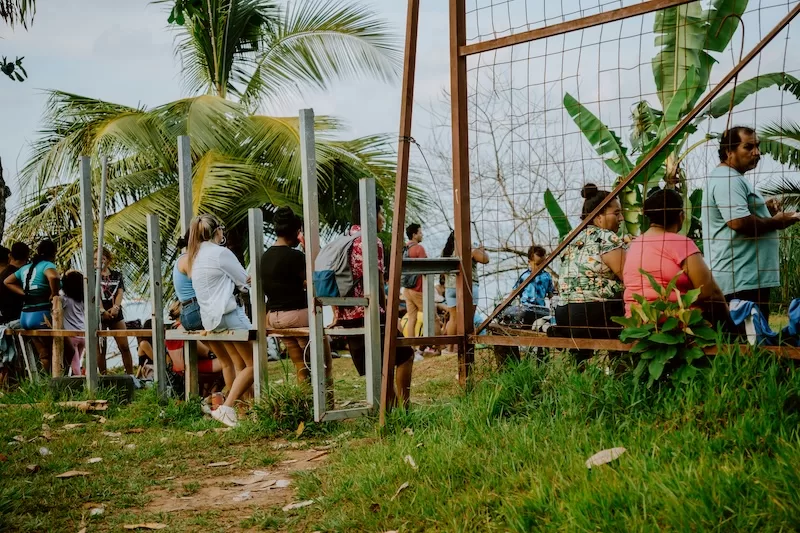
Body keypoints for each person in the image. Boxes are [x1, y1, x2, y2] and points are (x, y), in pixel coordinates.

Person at [703, 126, 800, 323]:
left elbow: (736, 215)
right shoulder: (727, 179)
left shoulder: (732, 178)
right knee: (747, 343)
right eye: (748, 147)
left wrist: (763, 208)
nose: (757, 152)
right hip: (740, 281)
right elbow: (738, 222)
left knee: (752, 341)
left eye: (757, 146)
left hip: (746, 278)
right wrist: (776, 222)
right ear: (729, 151)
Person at [328, 199, 415, 407]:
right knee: (405, 355)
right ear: (371, 215)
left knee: (376, 365)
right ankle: (404, 406)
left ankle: (391, 409)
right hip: (370, 313)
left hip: (348, 316)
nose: (383, 218)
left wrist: (336, 314)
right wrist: (390, 316)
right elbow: (376, 283)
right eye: (382, 213)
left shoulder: (344, 240)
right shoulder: (371, 241)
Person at [624, 189, 731, 328]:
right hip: (676, 324)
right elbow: (709, 293)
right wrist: (731, 324)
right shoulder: (680, 243)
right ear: (681, 216)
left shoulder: (635, 244)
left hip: (637, 323)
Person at [188, 213, 253, 427]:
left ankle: (244, 411)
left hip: (212, 319)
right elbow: (244, 283)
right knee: (255, 364)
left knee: (239, 363)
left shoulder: (194, 256)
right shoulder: (220, 253)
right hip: (230, 314)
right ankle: (228, 407)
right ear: (218, 231)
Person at [261, 206, 333, 393]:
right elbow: (315, 282)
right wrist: (307, 248)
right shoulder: (295, 256)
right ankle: (328, 405)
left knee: (301, 366)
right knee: (323, 365)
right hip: (297, 315)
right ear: (295, 231)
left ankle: (304, 404)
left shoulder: (265, 257)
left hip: (275, 318)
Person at [554, 184, 626, 359]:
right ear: (599, 216)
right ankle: (621, 369)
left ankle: (580, 370)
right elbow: (629, 277)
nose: (622, 218)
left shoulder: (570, 237)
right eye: (616, 213)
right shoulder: (607, 238)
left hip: (565, 316)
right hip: (595, 315)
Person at [173, 231, 235, 394]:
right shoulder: (190, 260)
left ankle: (228, 399)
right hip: (198, 310)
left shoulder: (183, 259)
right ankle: (237, 402)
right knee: (232, 360)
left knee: (228, 359)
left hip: (189, 312)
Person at [4, 239, 60, 372]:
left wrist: (25, 293)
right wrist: (54, 293)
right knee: (53, 351)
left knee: (43, 352)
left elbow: (7, 281)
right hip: (41, 314)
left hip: (25, 317)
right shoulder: (47, 265)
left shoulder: (26, 267)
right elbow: (54, 277)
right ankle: (54, 382)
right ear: (53, 254)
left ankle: (46, 382)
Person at [441, 230, 490, 355]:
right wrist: (481, 250)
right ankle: (468, 347)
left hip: (450, 287)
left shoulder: (446, 251)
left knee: (453, 318)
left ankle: (450, 349)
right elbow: (485, 260)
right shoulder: (471, 249)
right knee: (469, 318)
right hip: (469, 286)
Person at [97, 248, 134, 375]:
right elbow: (94, 294)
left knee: (124, 345)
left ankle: (130, 375)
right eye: (96, 259)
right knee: (101, 348)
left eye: (102, 258)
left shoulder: (116, 275)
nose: (99, 261)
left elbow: (120, 292)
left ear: (107, 259)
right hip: (99, 313)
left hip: (115, 311)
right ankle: (103, 377)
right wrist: (102, 310)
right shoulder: (92, 276)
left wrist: (116, 307)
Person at [509, 245, 555, 325]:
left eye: (543, 264)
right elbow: (514, 292)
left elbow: (551, 294)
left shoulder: (546, 276)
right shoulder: (524, 276)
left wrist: (555, 305)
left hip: (541, 310)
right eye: (537, 264)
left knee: (548, 319)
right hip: (526, 308)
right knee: (517, 314)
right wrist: (506, 304)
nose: (540, 267)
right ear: (529, 262)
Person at [402, 223, 428, 356]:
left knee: (412, 318)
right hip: (417, 288)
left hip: (406, 288)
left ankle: (410, 347)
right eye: (420, 232)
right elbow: (427, 267)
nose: (422, 234)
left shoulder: (405, 248)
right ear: (414, 234)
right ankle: (435, 346)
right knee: (432, 316)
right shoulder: (419, 248)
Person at [60, 270, 86, 376]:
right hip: (83, 334)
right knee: (77, 360)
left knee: (74, 364)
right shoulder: (82, 299)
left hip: (71, 335)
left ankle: (80, 384)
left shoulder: (64, 299)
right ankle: (77, 380)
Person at [0, 242, 31, 325]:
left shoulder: (3, 275)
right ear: (27, 256)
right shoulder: (24, 275)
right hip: (17, 319)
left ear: (10, 255)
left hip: (4, 318)